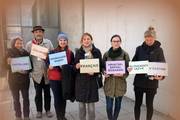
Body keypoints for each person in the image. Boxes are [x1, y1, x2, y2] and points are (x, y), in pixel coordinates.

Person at [129, 26, 166, 120]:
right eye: (147, 40)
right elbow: (133, 62)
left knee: (149, 105)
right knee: (138, 104)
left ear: (154, 38)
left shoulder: (159, 50)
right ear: (144, 39)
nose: (148, 41)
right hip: (139, 82)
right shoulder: (139, 49)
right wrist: (130, 68)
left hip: (152, 83)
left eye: (150, 39)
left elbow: (162, 66)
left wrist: (161, 76)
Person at [26, 26, 54, 118]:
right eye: (36, 32)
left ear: (43, 33)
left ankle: (48, 110)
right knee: (38, 94)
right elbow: (26, 59)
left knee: (47, 93)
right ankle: (39, 111)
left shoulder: (48, 42)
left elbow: (53, 55)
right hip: (36, 74)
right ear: (33, 33)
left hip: (47, 73)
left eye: (40, 32)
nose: (38, 33)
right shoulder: (29, 45)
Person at [47, 32, 75, 120]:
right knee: (57, 98)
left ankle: (62, 115)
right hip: (54, 79)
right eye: (61, 40)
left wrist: (66, 67)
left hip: (65, 79)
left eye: (64, 40)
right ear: (58, 41)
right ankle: (59, 117)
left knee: (64, 97)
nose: (62, 42)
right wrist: (49, 65)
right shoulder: (52, 52)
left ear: (67, 42)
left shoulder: (70, 53)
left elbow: (73, 65)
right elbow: (47, 61)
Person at [74, 33, 102, 120]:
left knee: (91, 108)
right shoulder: (78, 52)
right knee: (81, 107)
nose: (86, 40)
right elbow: (74, 67)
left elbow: (100, 66)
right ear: (82, 41)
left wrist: (94, 72)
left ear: (91, 40)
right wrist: (76, 66)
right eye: (84, 39)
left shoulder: (96, 51)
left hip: (91, 82)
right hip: (81, 82)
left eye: (88, 39)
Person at [102, 34, 130, 120]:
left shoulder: (125, 54)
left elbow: (128, 69)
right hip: (109, 84)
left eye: (118, 41)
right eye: (114, 41)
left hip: (120, 85)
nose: (116, 43)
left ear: (120, 42)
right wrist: (104, 72)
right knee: (109, 107)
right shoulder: (106, 54)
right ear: (111, 42)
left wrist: (123, 74)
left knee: (118, 106)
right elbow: (102, 67)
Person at [6, 36, 31, 120]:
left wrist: (27, 71)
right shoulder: (9, 53)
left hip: (24, 81)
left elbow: (30, 66)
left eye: (21, 43)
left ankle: (26, 116)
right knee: (16, 100)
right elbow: (4, 66)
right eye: (17, 43)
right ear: (13, 43)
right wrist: (9, 64)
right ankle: (18, 116)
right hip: (13, 81)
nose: (19, 45)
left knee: (26, 99)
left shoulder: (26, 53)